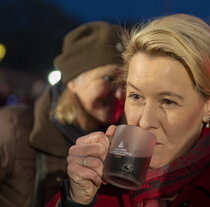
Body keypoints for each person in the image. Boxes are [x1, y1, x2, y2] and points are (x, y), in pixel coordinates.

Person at [46, 14, 210, 207]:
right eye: (135, 96)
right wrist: (76, 199)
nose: (145, 121)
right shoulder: (102, 180)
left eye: (168, 101)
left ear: (209, 106)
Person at [0, 21, 125, 207]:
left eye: (125, 83)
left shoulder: (121, 148)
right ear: (72, 81)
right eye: (108, 79)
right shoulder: (12, 127)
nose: (119, 93)